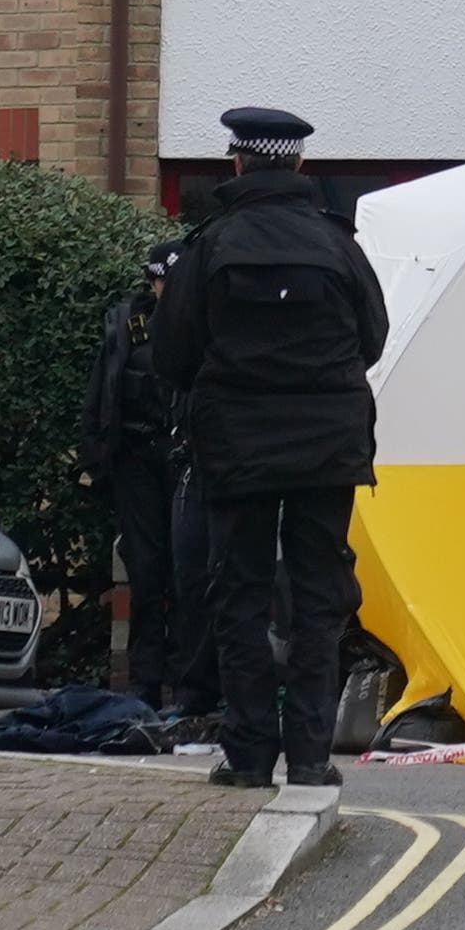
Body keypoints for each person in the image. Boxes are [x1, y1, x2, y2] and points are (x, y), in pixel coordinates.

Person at [157, 108, 385, 791]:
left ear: (236, 163)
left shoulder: (210, 245)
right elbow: (372, 337)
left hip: (238, 448)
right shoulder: (338, 244)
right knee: (319, 600)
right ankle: (312, 759)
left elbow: (171, 354)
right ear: (298, 166)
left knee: (241, 597)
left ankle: (250, 755)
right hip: (328, 449)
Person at [83, 236, 193, 706]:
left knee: (190, 572)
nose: (168, 287)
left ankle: (192, 685)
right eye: (162, 278)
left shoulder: (203, 324)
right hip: (138, 458)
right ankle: (145, 682)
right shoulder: (127, 326)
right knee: (145, 573)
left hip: (189, 460)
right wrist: (94, 458)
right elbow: (100, 394)